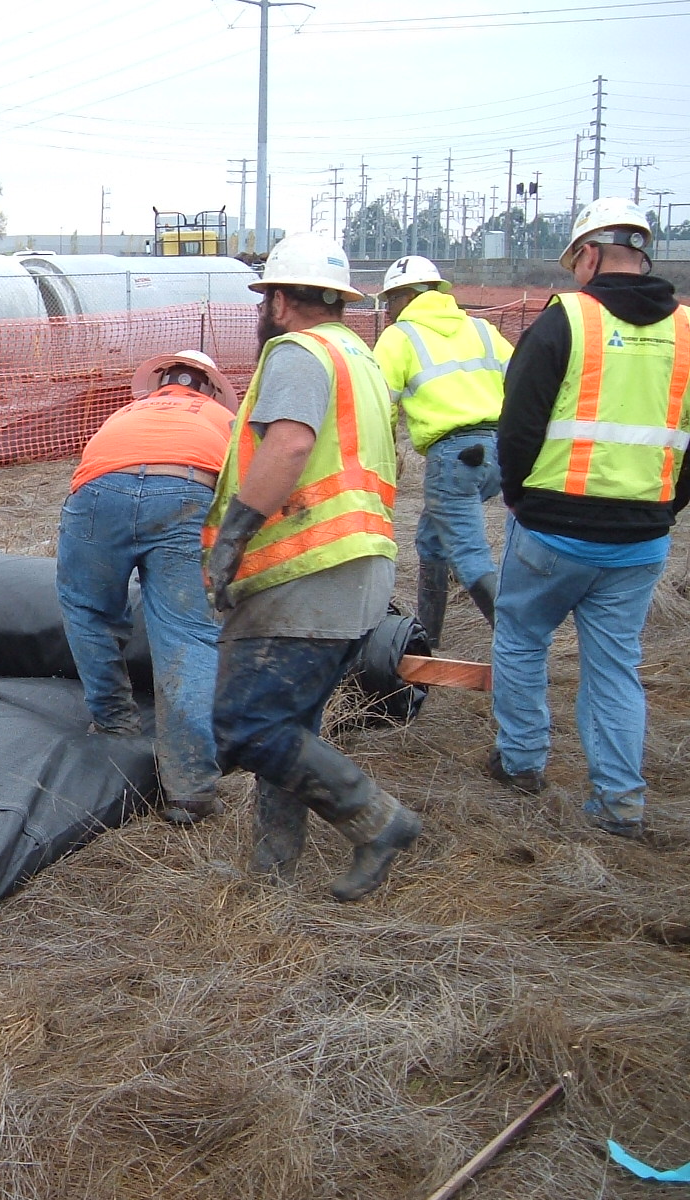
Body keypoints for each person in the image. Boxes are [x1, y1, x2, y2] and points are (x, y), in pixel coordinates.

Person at [204, 233, 422, 902]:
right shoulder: (358, 354)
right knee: (288, 724)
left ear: (278, 300)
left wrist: (232, 537)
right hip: (357, 568)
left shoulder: (297, 353)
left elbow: (291, 444)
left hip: (306, 570)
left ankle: (378, 820)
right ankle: (273, 876)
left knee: (245, 725)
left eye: (263, 297)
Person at [489, 198, 690, 839]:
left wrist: (520, 496)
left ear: (592, 254)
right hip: (640, 540)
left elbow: (518, 423)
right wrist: (664, 507)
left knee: (522, 639)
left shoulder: (565, 319)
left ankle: (520, 764)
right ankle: (621, 802)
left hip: (552, 527)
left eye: (575, 257)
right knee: (614, 666)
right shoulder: (687, 330)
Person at [56, 350, 238, 826]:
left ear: (159, 384)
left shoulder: (126, 412)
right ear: (210, 387)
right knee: (187, 634)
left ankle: (115, 725)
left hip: (99, 493)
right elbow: (243, 492)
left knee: (89, 610)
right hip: (188, 490)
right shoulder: (222, 418)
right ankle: (191, 788)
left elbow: (96, 465)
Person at [373, 255, 515, 646]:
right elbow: (522, 380)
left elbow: (380, 403)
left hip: (453, 457)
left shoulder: (400, 337)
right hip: (497, 452)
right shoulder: (482, 329)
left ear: (406, 296)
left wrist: (387, 453)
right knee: (432, 540)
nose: (387, 310)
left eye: (389, 300)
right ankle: (427, 640)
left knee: (468, 553)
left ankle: (519, 639)